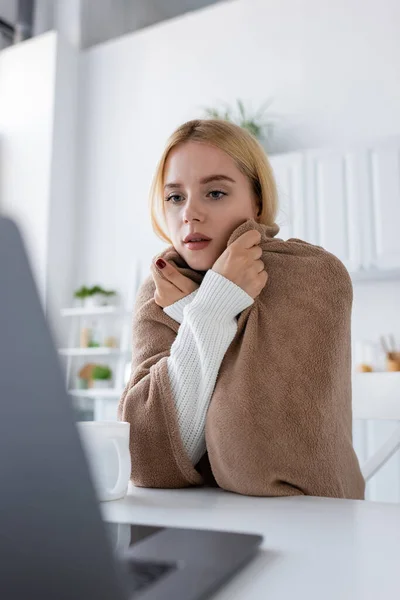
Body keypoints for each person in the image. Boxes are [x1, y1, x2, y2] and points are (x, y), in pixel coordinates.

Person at [118, 119, 365, 498]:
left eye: (214, 193)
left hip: (317, 521)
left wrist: (195, 311)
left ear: (257, 200)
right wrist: (209, 311)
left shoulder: (314, 275)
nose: (190, 214)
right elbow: (145, 457)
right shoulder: (160, 288)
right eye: (175, 197)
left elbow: (259, 459)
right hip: (202, 527)